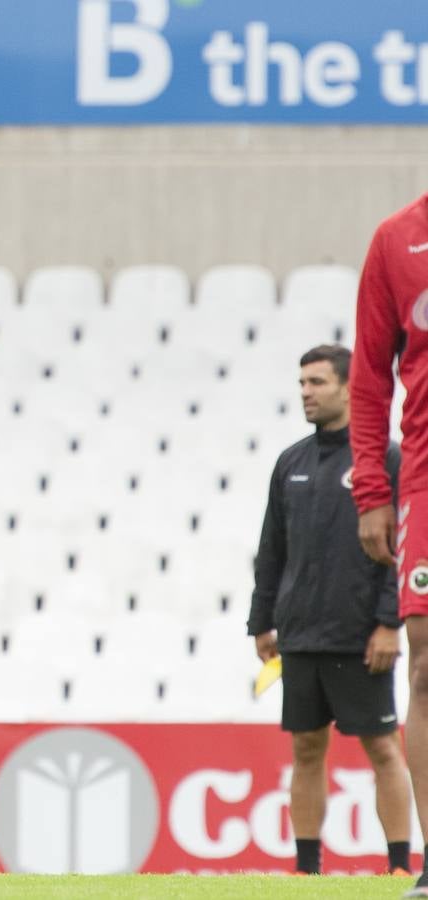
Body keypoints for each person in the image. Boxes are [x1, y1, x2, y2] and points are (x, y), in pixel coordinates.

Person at [248, 344, 409, 877]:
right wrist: (261, 621)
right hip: (299, 632)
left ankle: (398, 867)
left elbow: (403, 546)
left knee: (383, 748)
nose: (306, 393)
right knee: (307, 748)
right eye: (301, 384)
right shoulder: (290, 461)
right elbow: (272, 546)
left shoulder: (383, 458)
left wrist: (390, 622)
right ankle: (308, 868)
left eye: (316, 383)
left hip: (362, 633)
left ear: (346, 386)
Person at [349, 191, 428, 898]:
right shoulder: (397, 239)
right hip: (427, 485)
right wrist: (372, 489)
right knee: (427, 664)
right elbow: (368, 376)